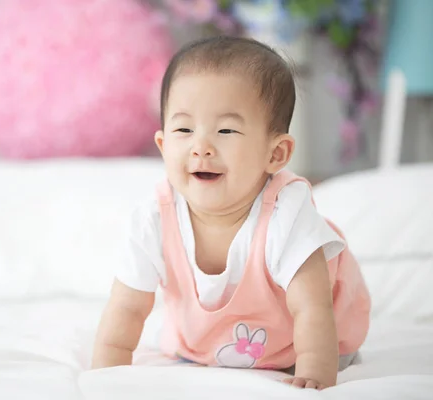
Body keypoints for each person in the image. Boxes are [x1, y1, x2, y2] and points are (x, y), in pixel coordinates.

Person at [92, 36, 370, 390]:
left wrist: (315, 374)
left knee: (316, 326)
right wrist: (104, 378)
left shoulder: (286, 214)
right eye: (183, 129)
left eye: (226, 130)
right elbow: (127, 308)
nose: (201, 147)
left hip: (295, 349)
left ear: (276, 154)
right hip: (199, 347)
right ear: (163, 146)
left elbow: (312, 308)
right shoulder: (154, 219)